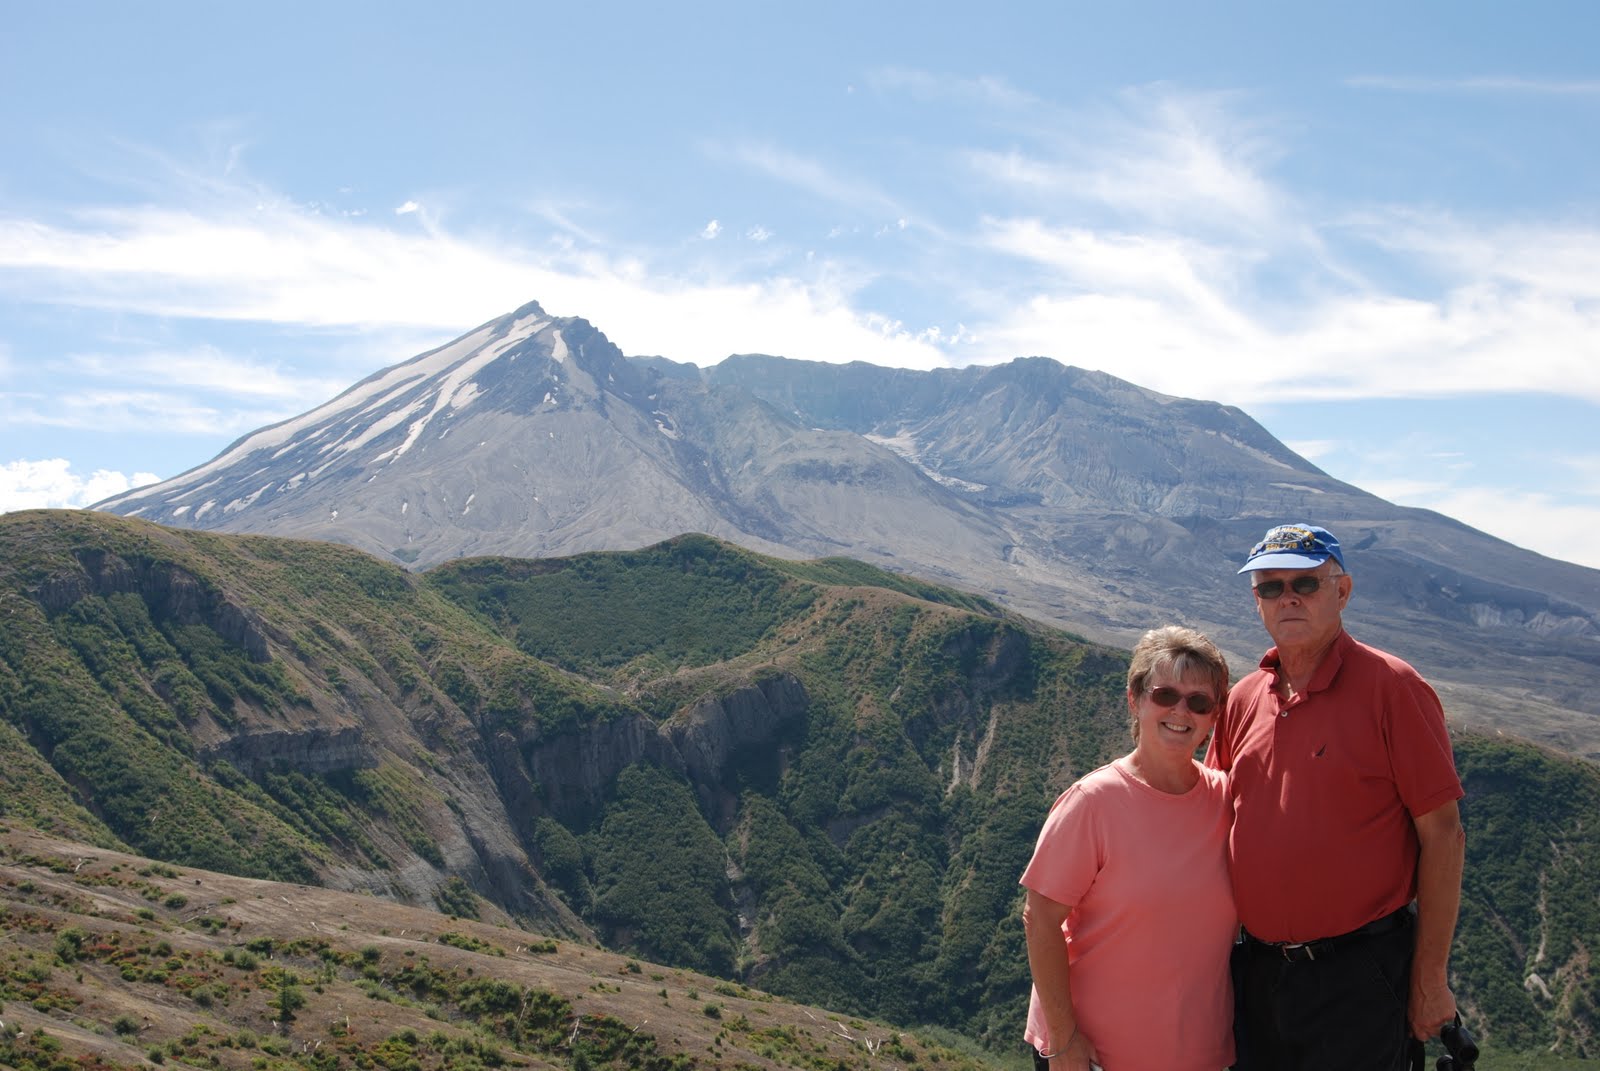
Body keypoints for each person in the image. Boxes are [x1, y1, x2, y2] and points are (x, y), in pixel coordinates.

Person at [1206, 523, 1466, 1071]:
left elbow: (1444, 835)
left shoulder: (1393, 688)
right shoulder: (1243, 699)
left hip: (1359, 975)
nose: (1288, 597)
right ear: (1257, 600)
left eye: (1305, 583)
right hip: (1258, 975)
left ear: (1342, 591)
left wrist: (1430, 980)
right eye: (1271, 586)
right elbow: (1210, 822)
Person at [1021, 625, 1236, 1071]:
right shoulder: (1093, 802)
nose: (1181, 711)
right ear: (1134, 700)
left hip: (1201, 1055)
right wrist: (1064, 1039)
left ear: (1214, 716)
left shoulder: (1226, 801)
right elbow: (1040, 920)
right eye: (1165, 695)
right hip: (1094, 1056)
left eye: (1199, 702)